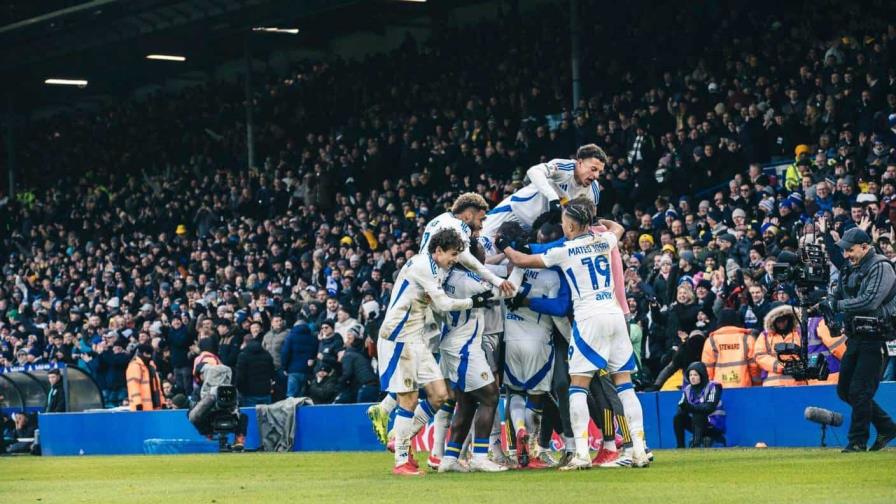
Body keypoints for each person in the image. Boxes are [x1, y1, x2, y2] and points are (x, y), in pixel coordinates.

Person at [500, 197, 649, 469]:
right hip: (615, 315)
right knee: (625, 387)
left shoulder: (565, 251)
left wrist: (503, 246)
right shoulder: (604, 241)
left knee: (578, 387)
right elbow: (617, 227)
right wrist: (597, 222)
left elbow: (521, 259)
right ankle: (638, 450)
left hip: (589, 318)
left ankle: (580, 453)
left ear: (569, 225)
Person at [374, 228, 492, 476]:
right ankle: (402, 460)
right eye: (451, 255)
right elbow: (443, 304)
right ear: (437, 250)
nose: (453, 260)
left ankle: (399, 438)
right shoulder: (422, 265)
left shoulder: (436, 268)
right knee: (408, 398)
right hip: (398, 336)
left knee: (441, 394)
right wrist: (474, 302)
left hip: (415, 338)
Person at [435, 240, 507, 473]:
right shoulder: (469, 281)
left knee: (466, 402)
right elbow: (503, 291)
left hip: (452, 342)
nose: (485, 258)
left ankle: (450, 458)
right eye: (482, 255)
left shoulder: (446, 275)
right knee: (490, 395)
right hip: (464, 347)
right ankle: (479, 456)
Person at [822, 228, 896, 451]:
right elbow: (840, 293)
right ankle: (886, 427)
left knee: (859, 391)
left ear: (865, 247)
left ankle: (857, 441)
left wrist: (836, 305)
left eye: (850, 250)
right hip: (855, 334)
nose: (846, 255)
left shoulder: (882, 266)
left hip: (876, 336)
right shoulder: (851, 268)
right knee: (845, 390)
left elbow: (870, 301)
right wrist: (825, 301)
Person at [482, 143, 607, 238]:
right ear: (579, 163)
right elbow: (533, 171)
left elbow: (587, 220)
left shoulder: (594, 191)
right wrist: (553, 198)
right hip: (514, 211)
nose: (596, 176)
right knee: (480, 240)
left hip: (535, 229)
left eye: (599, 172)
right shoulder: (564, 167)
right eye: (593, 169)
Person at [418, 193, 515, 297]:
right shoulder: (458, 225)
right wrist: (497, 280)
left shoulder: (441, 218)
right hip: (428, 287)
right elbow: (469, 261)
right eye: (480, 220)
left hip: (421, 278)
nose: (481, 225)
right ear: (468, 216)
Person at [701, 309, 761, 388]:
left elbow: (707, 368)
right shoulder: (747, 339)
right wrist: (756, 384)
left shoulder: (711, 341)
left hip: (719, 388)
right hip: (744, 386)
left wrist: (708, 388)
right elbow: (754, 366)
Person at [673, 362, 725, 448]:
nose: (692, 377)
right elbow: (681, 406)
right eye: (690, 375)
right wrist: (683, 408)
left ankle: (696, 445)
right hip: (697, 425)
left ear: (702, 375)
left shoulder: (713, 386)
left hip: (714, 425)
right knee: (678, 417)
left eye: (695, 375)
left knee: (698, 414)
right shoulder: (687, 389)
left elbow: (709, 407)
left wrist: (690, 407)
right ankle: (680, 447)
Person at [337, 328, 379, 404]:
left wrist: (337, 384)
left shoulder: (348, 355)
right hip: (374, 385)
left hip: (366, 386)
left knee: (361, 412)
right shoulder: (356, 354)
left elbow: (347, 374)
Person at [235, 336, 275, 406]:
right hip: (265, 391)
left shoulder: (243, 355)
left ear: (245, 343)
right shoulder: (267, 355)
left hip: (249, 392)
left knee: (250, 415)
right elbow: (272, 372)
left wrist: (240, 389)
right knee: (266, 415)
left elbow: (240, 376)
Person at [281, 322, 317, 398]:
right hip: (307, 370)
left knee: (291, 396)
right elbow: (315, 353)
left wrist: (284, 367)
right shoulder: (312, 337)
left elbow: (285, 353)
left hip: (293, 370)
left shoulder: (290, 337)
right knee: (303, 396)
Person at [126, 344, 163, 411]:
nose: (149, 356)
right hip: (141, 407)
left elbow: (157, 387)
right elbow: (133, 387)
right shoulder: (135, 366)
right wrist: (138, 403)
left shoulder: (151, 367)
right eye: (147, 354)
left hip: (154, 407)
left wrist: (162, 402)